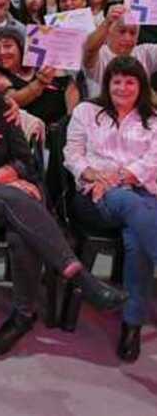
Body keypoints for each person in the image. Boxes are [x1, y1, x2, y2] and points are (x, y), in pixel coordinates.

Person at [0, 55, 127, 356]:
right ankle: (80, 279)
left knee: (21, 225)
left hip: (17, 189)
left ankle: (23, 315)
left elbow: (26, 161)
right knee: (16, 201)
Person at [64, 56, 157, 362]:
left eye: (130, 81)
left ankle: (131, 324)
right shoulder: (87, 111)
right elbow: (72, 155)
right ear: (107, 83)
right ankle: (133, 321)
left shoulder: (153, 118)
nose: (122, 87)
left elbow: (153, 161)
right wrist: (94, 175)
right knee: (134, 207)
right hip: (94, 196)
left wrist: (116, 177)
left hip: (141, 193)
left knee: (137, 238)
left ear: (141, 86)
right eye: (116, 80)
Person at [0, 27, 79, 127]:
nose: (2, 52)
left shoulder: (40, 61)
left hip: (63, 129)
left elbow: (69, 85)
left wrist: (70, 121)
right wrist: (40, 83)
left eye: (8, 46)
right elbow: (12, 100)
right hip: (32, 135)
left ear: (20, 47)